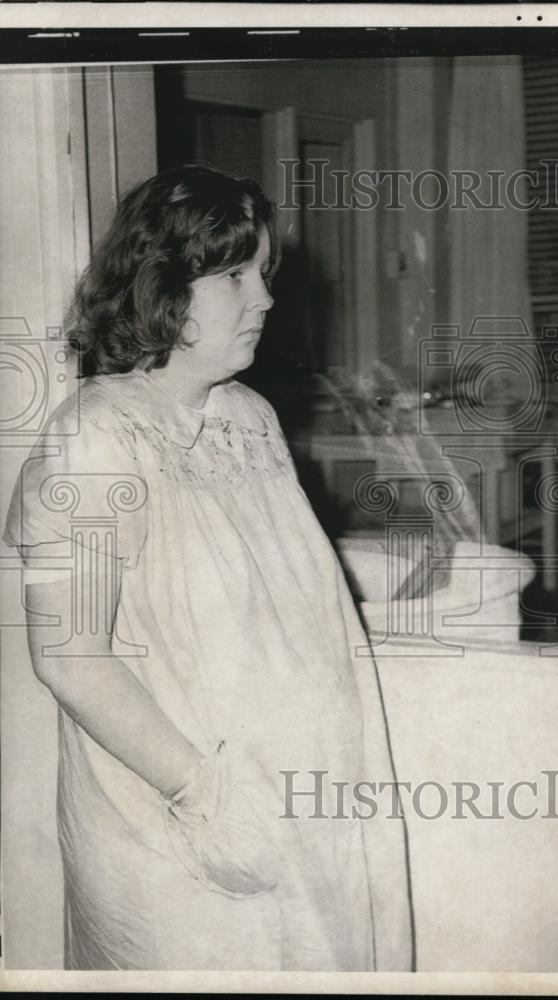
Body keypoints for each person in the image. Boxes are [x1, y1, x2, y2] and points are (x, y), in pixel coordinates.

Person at [3, 165, 414, 971]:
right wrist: (208, 799)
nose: (262, 298)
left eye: (263, 273)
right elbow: (69, 655)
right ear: (163, 287)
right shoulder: (96, 437)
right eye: (232, 275)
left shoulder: (249, 418)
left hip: (298, 804)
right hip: (176, 825)